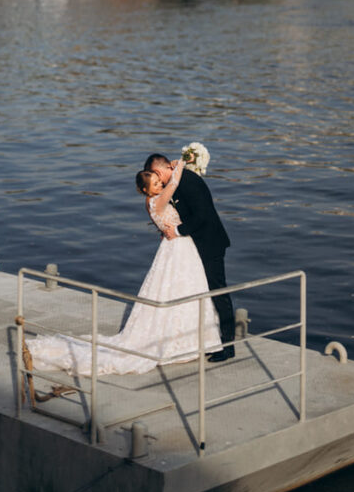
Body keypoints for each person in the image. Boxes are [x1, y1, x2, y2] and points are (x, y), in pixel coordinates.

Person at [26, 160, 222, 376]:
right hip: (177, 246)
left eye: (159, 182)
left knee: (184, 288)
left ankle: (192, 339)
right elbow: (173, 184)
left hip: (177, 247)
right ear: (146, 190)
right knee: (183, 287)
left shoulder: (151, 203)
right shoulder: (156, 202)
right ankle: (187, 341)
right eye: (156, 184)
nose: (160, 186)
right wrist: (182, 163)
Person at [144, 152, 235, 362]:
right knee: (202, 290)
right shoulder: (178, 180)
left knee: (218, 291)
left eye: (158, 179)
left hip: (209, 243)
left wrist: (176, 231)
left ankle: (228, 345)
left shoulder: (188, 181)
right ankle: (207, 338)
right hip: (193, 246)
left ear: (159, 171)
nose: (160, 184)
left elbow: (202, 216)